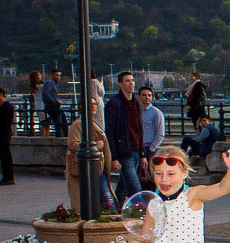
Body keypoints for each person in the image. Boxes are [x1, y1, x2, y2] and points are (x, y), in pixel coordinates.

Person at [67, 96, 114, 214]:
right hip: (88, 167)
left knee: (102, 196)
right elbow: (72, 144)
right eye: (90, 104)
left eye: (95, 104)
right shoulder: (78, 124)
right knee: (106, 198)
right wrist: (93, 146)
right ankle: (111, 220)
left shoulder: (91, 122)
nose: (93, 106)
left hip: (97, 165)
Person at [104, 71, 144, 203]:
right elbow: (109, 131)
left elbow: (140, 128)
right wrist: (114, 157)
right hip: (124, 151)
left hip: (136, 149)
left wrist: (143, 154)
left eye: (132, 80)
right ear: (120, 84)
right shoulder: (114, 104)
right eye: (127, 81)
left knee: (122, 186)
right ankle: (142, 215)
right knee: (135, 187)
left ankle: (116, 209)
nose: (131, 83)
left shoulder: (136, 103)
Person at [139, 85, 166, 190]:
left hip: (149, 147)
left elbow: (160, 133)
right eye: (144, 95)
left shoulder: (156, 113)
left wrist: (152, 148)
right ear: (139, 96)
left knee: (150, 176)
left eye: (149, 95)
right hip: (137, 147)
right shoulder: (137, 111)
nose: (147, 97)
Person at [0, 87, 15, 186]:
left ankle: (9, 177)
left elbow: (2, 121)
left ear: (1, 94)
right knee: (3, 157)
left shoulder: (7, 107)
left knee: (6, 157)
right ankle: (6, 177)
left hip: (3, 134)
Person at [42, 68, 67, 138]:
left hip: (51, 106)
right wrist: (55, 101)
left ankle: (62, 136)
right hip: (52, 107)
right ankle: (63, 137)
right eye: (56, 75)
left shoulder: (52, 84)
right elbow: (45, 93)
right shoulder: (50, 83)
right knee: (61, 122)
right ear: (52, 75)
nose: (58, 77)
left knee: (59, 122)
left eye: (59, 75)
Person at [28, 70, 44, 136]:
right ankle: (44, 136)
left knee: (42, 122)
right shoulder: (40, 86)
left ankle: (42, 136)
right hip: (42, 105)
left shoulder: (33, 86)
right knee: (45, 124)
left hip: (37, 105)